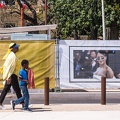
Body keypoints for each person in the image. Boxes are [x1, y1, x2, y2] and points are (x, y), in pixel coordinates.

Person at [0, 43, 24, 110]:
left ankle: (23, 103)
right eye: (16, 47)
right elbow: (10, 67)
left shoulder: (11, 55)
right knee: (17, 90)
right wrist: (9, 76)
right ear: (13, 49)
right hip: (11, 75)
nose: (18, 48)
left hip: (12, 75)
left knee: (8, 89)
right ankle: (23, 104)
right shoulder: (12, 56)